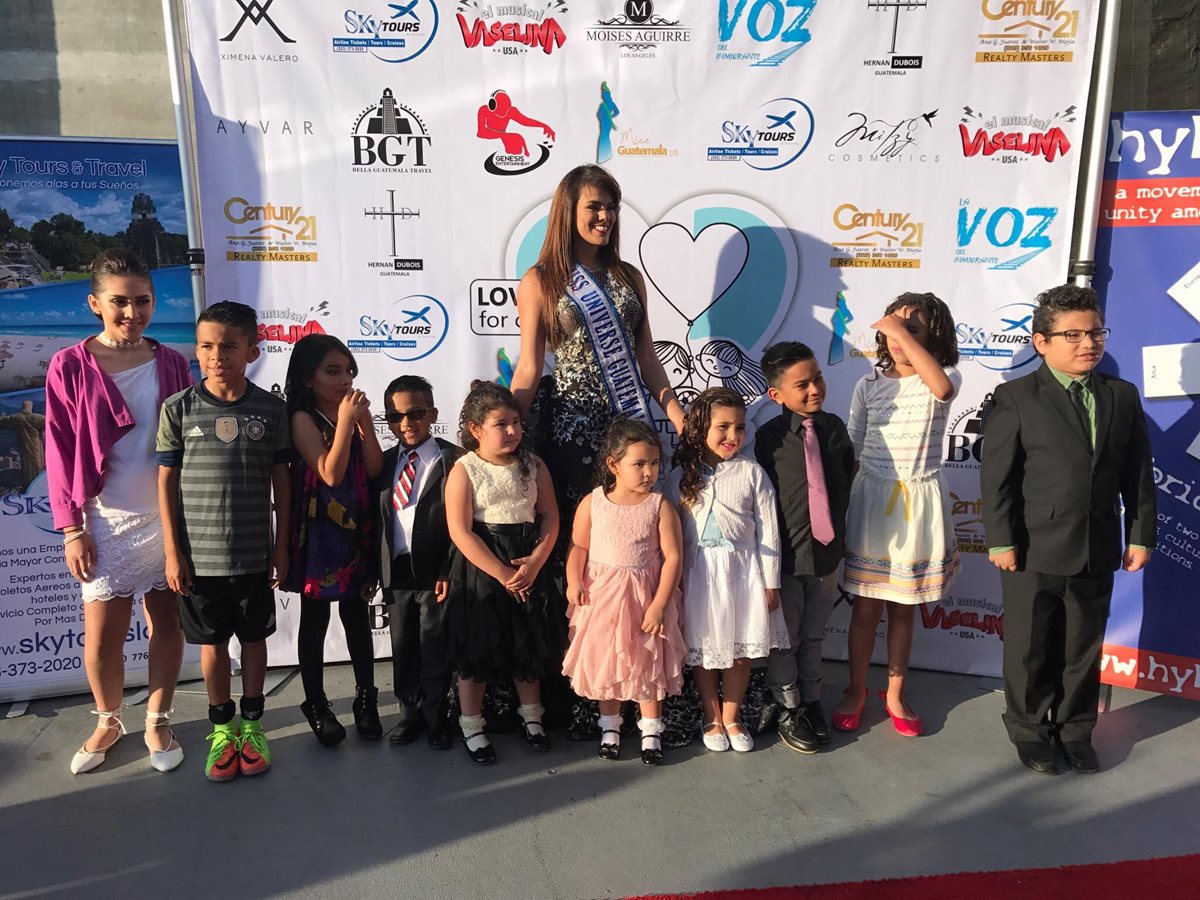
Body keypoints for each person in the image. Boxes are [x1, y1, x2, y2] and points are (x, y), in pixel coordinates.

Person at [511, 163, 686, 739]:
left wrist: (675, 412)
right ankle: (587, 693)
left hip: (628, 431)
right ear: (569, 211)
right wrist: (507, 427)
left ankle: (639, 689)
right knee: (586, 565)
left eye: (611, 207)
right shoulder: (541, 280)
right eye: (594, 207)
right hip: (571, 436)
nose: (606, 217)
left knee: (637, 561)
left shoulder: (628, 277)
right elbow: (530, 366)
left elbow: (646, 357)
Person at [981, 284, 1155, 775]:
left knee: (1083, 647)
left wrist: (1140, 534)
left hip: (1097, 544)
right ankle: (1030, 730)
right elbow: (998, 477)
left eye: (1095, 332)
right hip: (1032, 547)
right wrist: (1001, 539)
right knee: (1030, 646)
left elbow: (1137, 472)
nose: (1088, 343)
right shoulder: (1017, 397)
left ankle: (1076, 729)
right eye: (1073, 334)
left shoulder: (1121, 395)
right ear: (1042, 342)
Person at [45, 248, 190, 775]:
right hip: (104, 518)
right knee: (103, 636)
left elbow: (186, 445)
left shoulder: (173, 362)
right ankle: (108, 720)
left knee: (166, 622)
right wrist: (71, 528)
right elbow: (58, 449)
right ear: (95, 304)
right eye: (120, 302)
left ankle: (158, 719)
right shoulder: (69, 365)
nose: (132, 312)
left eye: (143, 301)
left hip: (166, 516)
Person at [157, 300, 290, 782]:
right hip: (198, 561)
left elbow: (282, 482)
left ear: (252, 351)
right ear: (196, 350)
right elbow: (166, 483)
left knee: (254, 640)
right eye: (207, 346)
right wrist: (173, 552)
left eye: (230, 346)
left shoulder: (271, 409)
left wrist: (281, 546)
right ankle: (222, 730)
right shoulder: (178, 408)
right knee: (211, 645)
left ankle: (252, 726)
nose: (217, 356)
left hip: (253, 556)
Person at [833, 293, 961, 738]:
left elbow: (942, 389)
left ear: (934, 338)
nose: (900, 338)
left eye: (913, 330)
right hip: (872, 502)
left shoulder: (943, 377)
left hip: (917, 505)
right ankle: (856, 689)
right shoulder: (868, 385)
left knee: (903, 609)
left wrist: (899, 331)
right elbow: (853, 445)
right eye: (894, 329)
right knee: (866, 607)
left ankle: (895, 694)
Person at [666, 387, 788, 754]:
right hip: (698, 577)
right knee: (704, 648)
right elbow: (669, 536)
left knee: (738, 650)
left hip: (743, 577)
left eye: (739, 427)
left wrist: (770, 582)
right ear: (700, 427)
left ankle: (732, 717)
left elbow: (769, 532)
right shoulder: (679, 477)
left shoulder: (752, 474)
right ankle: (712, 715)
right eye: (723, 427)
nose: (732, 435)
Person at [444, 381, 559, 764]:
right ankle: (472, 725)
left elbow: (549, 516)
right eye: (501, 424)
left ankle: (532, 718)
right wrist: (500, 572)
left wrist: (537, 560)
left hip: (527, 562)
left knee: (527, 642)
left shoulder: (534, 464)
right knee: (477, 650)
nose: (512, 431)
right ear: (475, 429)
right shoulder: (465, 469)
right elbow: (460, 530)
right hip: (483, 567)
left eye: (516, 422)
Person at [562, 418, 685, 765]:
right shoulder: (593, 503)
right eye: (639, 464)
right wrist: (573, 581)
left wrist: (659, 604)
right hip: (601, 597)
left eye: (654, 463)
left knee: (647, 662)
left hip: (645, 598)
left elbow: (673, 556)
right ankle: (610, 728)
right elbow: (578, 546)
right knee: (608, 662)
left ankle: (651, 731)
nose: (649, 472)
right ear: (614, 465)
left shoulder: (660, 505)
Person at [282, 334, 384, 748]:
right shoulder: (302, 419)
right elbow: (329, 473)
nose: (344, 380)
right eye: (332, 371)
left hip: (356, 526)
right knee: (315, 619)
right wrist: (345, 423)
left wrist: (365, 424)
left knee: (357, 615)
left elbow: (373, 468)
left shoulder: (351, 413)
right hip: (319, 532)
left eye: (348, 371)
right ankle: (316, 703)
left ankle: (366, 697)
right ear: (308, 379)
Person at [754, 342, 855, 753]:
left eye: (818, 378)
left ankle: (811, 701)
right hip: (788, 561)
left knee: (814, 636)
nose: (815, 389)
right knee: (786, 639)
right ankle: (787, 706)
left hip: (826, 558)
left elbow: (844, 482)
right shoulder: (768, 439)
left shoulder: (835, 430)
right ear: (776, 394)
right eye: (802, 385)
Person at [374, 375, 463, 751]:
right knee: (404, 645)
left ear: (433, 414)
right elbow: (376, 520)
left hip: (435, 573)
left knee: (435, 647)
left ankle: (437, 718)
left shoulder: (454, 460)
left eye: (415, 413)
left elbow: (464, 523)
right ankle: (409, 715)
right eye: (395, 417)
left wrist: (448, 568)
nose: (406, 423)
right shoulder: (382, 462)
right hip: (395, 571)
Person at [0, 399, 46, 491]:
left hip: (23, 446)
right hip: (35, 447)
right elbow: (50, 421)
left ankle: (29, 486)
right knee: (37, 465)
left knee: (26, 466)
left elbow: (4, 420)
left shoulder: (16, 418)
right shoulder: (35, 418)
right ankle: (35, 487)